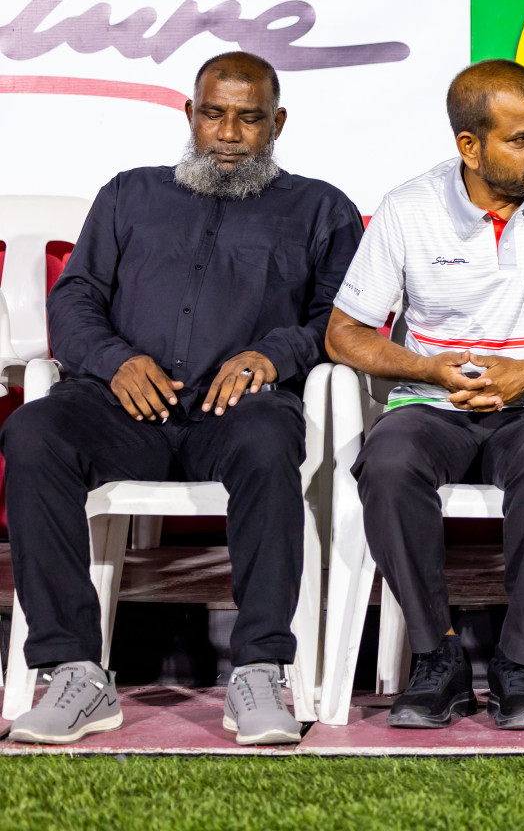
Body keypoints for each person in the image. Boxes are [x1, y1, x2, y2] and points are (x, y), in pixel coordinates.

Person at [0, 52, 362, 746]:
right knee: (34, 432)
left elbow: (342, 321)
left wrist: (273, 354)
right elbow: (74, 300)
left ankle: (259, 669)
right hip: (123, 409)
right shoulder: (128, 195)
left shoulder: (320, 208)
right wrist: (115, 360)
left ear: (277, 123)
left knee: (268, 441)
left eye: (249, 118)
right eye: (214, 114)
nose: (229, 133)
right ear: (190, 115)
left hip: (238, 414)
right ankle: (74, 670)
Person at [324, 59, 524, 731]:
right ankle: (436, 659)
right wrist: (429, 368)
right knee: (386, 465)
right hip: (432, 406)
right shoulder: (409, 207)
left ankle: (520, 665)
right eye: (522, 139)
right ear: (469, 147)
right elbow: (345, 335)